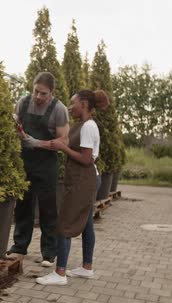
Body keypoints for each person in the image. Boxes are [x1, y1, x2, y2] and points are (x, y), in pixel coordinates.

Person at [35, 89, 109, 285]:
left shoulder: (88, 127)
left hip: (83, 180)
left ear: (84, 104)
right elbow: (68, 143)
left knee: (64, 224)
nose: (70, 106)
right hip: (83, 179)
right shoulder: (82, 125)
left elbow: (86, 159)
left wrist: (63, 148)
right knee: (86, 224)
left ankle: (60, 274)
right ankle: (86, 268)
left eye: (73, 103)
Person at [7, 72, 70, 267]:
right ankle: (19, 246)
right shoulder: (23, 102)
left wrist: (37, 143)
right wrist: (15, 128)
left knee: (47, 208)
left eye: (43, 94)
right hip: (25, 161)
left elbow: (63, 141)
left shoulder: (59, 109)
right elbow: (15, 123)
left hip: (46, 163)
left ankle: (49, 252)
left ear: (52, 92)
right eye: (36, 91)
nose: (38, 97)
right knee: (24, 205)